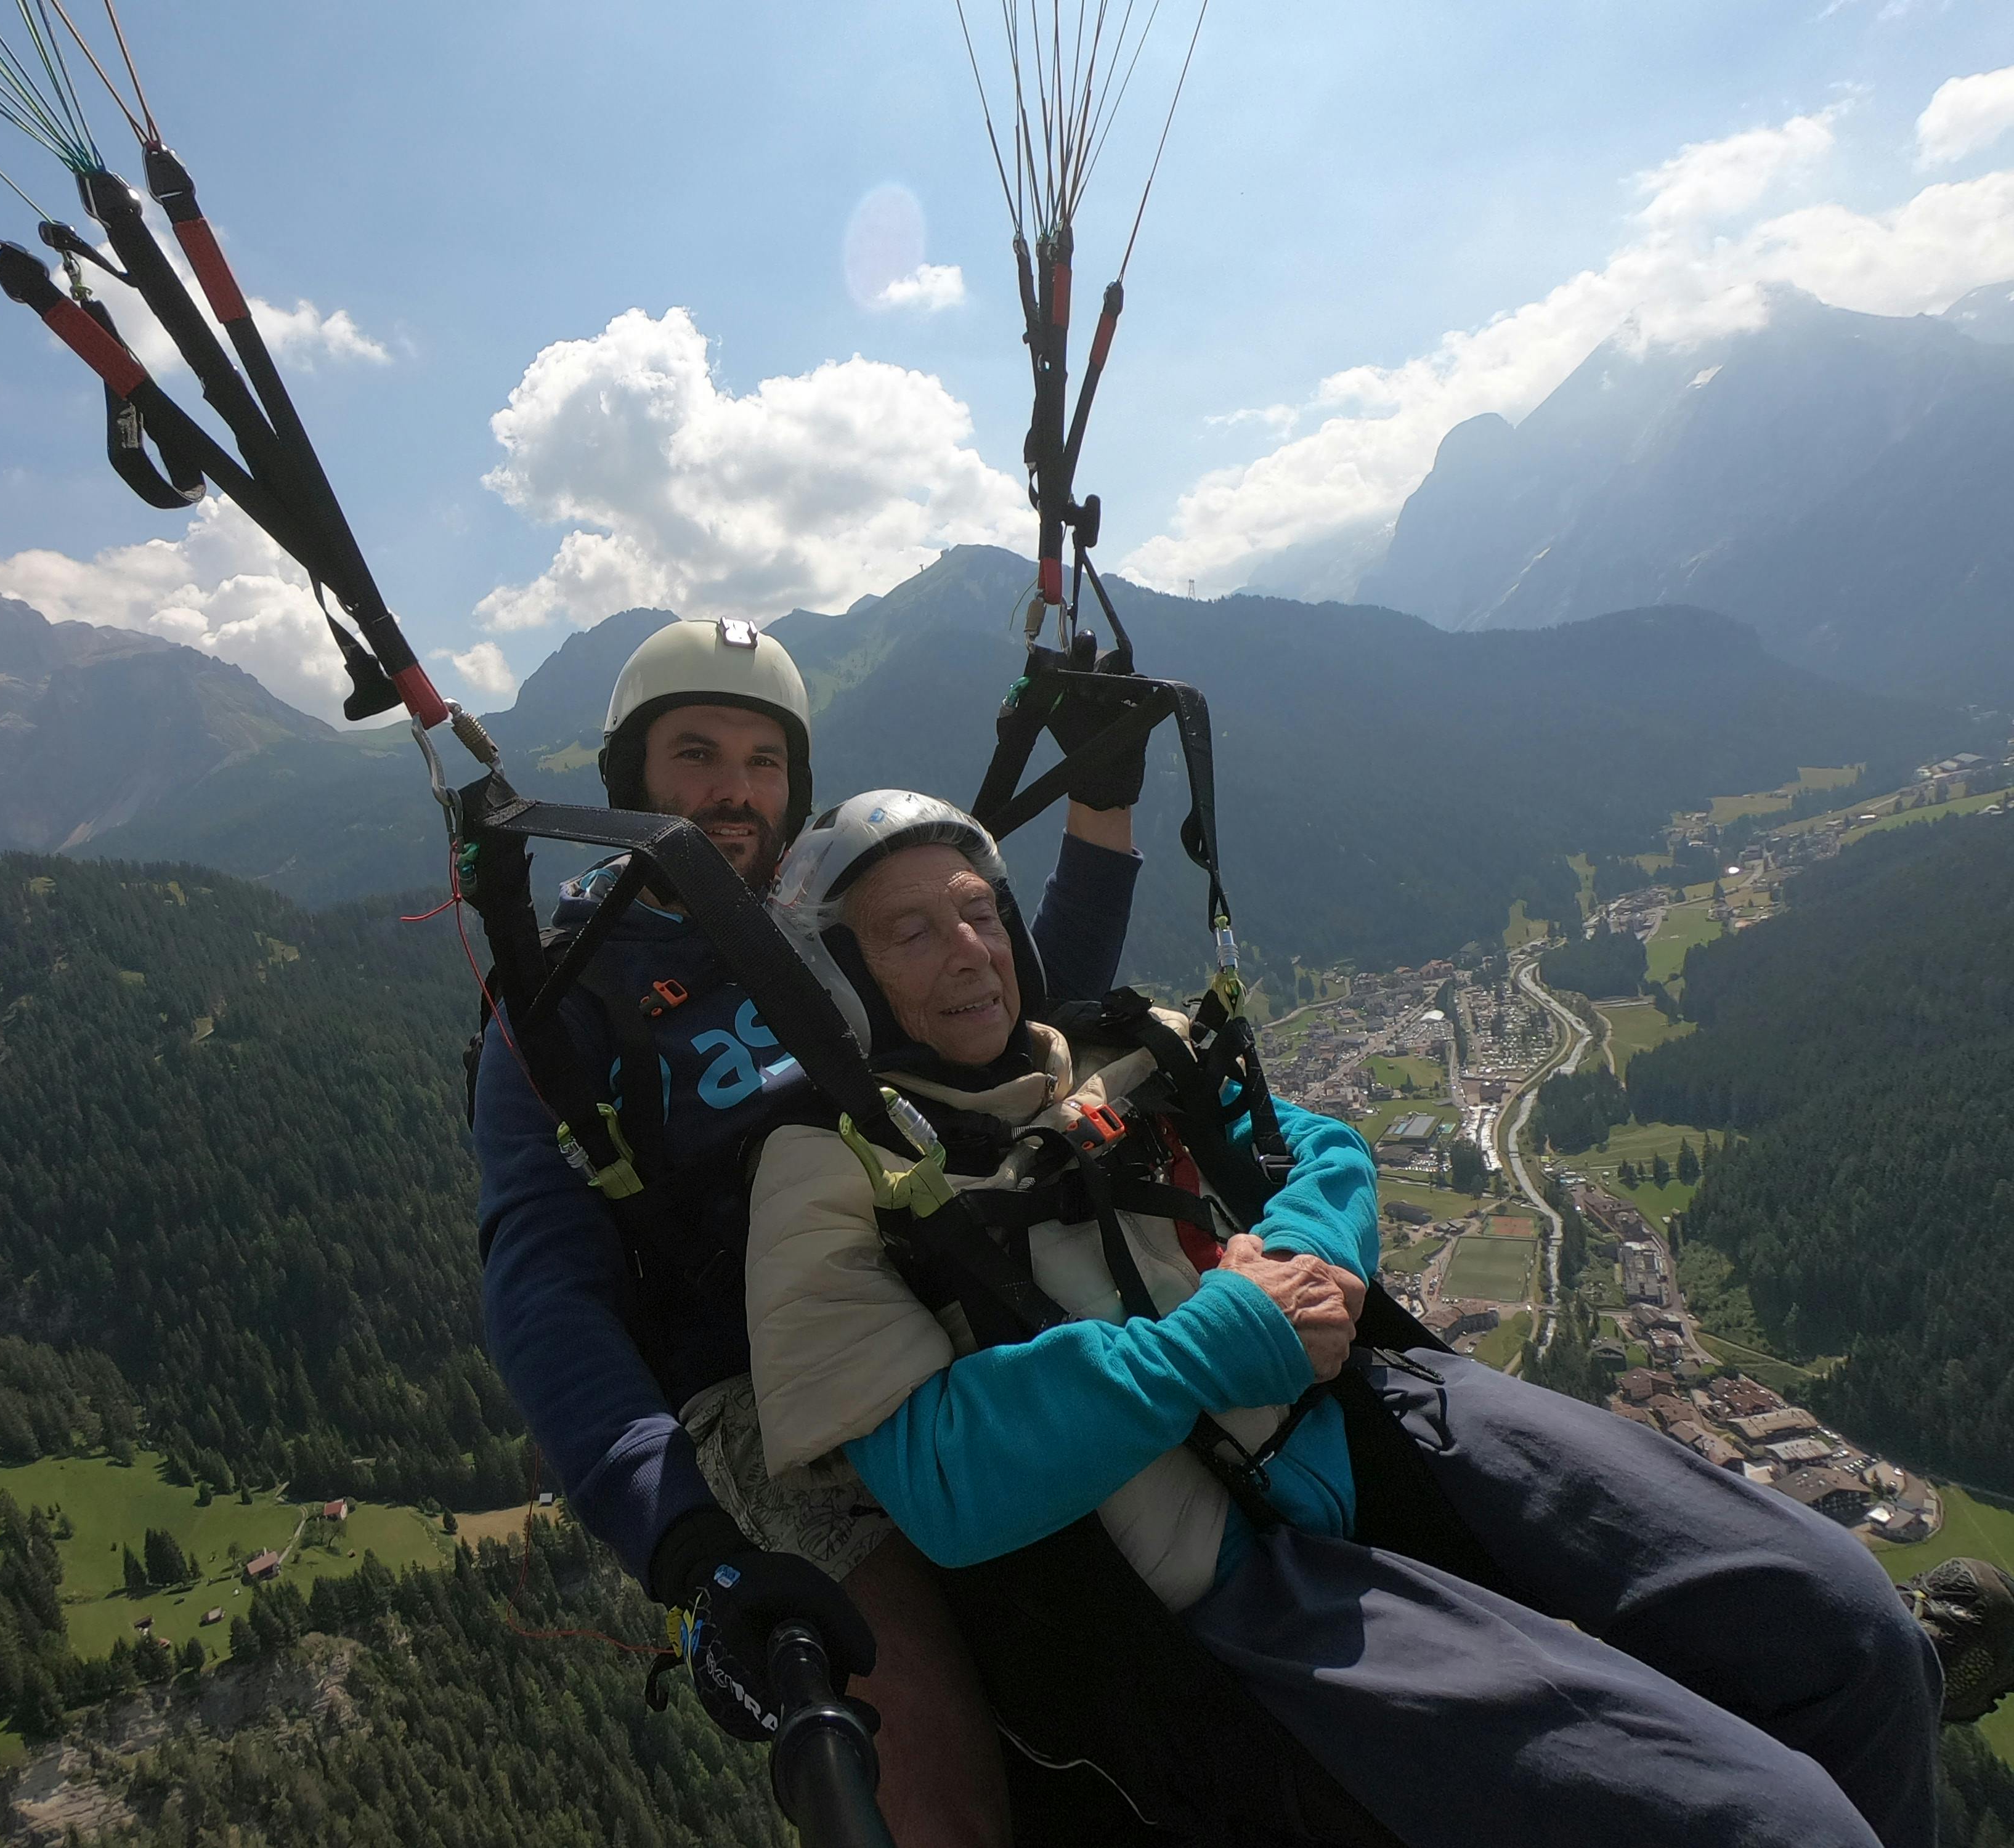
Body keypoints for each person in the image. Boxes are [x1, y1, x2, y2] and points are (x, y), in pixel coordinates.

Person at [734, 789, 2009, 1848]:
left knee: (1851, 1631)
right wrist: (1219, 1335)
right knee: (1773, 1830)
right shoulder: (825, 1177)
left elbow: (1322, 1155)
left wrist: (1299, 1267)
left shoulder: (1115, 1048)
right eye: (907, 932)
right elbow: (943, 1481)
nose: (967, 949)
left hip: (1380, 1410)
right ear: (837, 976)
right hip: (1238, 1565)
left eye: (976, 912)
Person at [474, 618, 1150, 1846]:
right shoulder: (564, 997)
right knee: (920, 1741)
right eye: (696, 755)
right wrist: (688, 1542)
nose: (733, 790)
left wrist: (1099, 812)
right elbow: (543, 1291)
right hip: (756, 1400)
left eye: (763, 760)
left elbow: (1004, 1014)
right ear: (632, 778)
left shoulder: (820, 919)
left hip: (944, 1281)